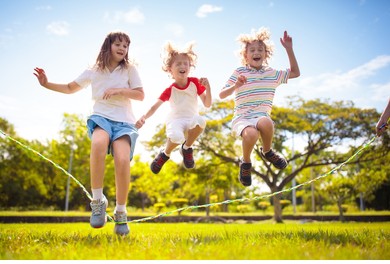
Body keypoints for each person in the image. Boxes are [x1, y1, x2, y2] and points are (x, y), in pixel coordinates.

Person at [33, 31, 144, 236]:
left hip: (124, 122)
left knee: (121, 159)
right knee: (98, 143)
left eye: (126, 46)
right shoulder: (94, 70)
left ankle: (121, 212)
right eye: (118, 44)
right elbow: (69, 87)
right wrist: (46, 83)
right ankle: (98, 201)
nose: (122, 48)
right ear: (108, 45)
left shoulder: (129, 69)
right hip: (101, 116)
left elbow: (140, 94)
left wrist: (119, 90)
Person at [219, 27, 300, 187]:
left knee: (266, 123)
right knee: (251, 135)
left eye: (260, 50)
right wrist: (236, 85)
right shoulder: (240, 71)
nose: (256, 52)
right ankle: (246, 163)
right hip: (242, 118)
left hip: (261, 115)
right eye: (252, 50)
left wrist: (289, 49)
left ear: (265, 54)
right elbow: (222, 94)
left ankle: (267, 151)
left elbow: (295, 72)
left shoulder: (272, 73)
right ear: (245, 55)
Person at [136, 41, 211, 174]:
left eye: (185, 63)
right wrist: (144, 117)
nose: (182, 66)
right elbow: (154, 107)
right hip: (176, 121)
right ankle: (165, 154)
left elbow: (207, 104)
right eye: (178, 64)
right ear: (170, 69)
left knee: (201, 121)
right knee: (176, 137)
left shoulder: (194, 83)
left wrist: (208, 88)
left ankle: (187, 148)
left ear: (189, 67)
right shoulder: (170, 90)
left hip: (191, 121)